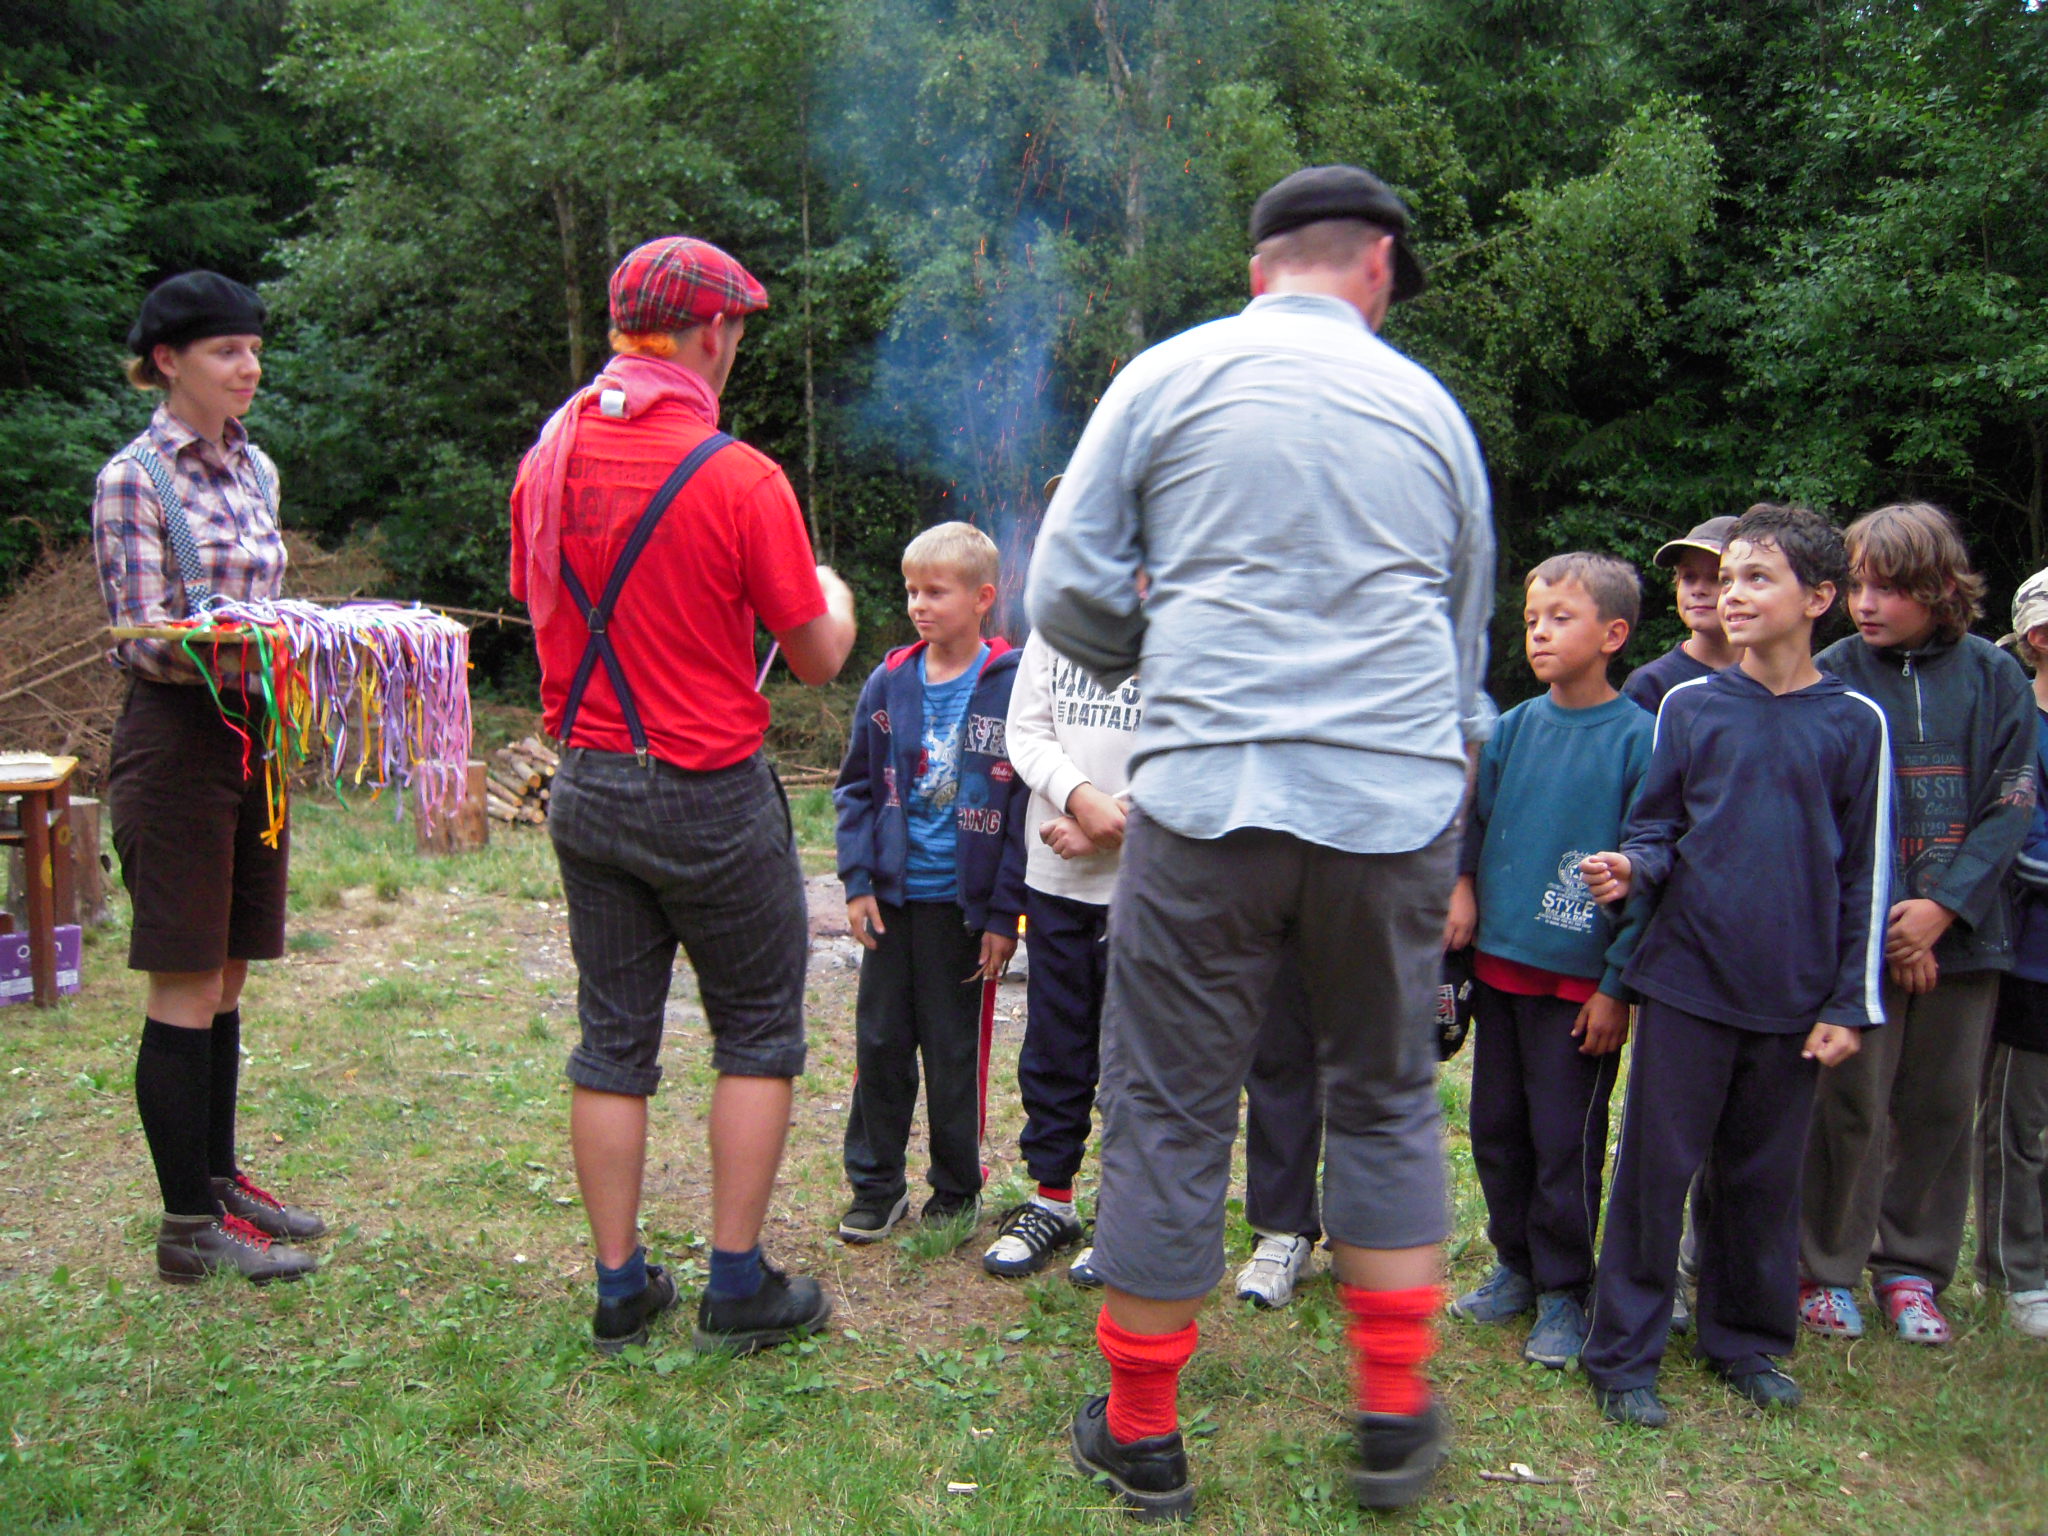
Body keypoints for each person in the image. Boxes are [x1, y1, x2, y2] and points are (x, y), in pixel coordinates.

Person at [1030, 164, 1495, 1517]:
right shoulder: (1431, 412)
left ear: (1258, 270)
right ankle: (1392, 1419)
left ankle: (1142, 1436)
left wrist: (1162, 652)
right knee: (1385, 1095)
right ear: (1379, 267)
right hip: (1391, 805)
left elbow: (1064, 587)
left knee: (1171, 1103)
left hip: (1208, 792)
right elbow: (1462, 652)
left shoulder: (1166, 378)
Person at [509, 235, 856, 1356]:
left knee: (612, 1043)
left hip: (588, 784)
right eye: (737, 331)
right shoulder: (739, 476)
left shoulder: (547, 456)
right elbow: (816, 656)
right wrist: (835, 594)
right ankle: (735, 1288)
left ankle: (620, 1291)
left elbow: (546, 604)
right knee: (756, 1032)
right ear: (710, 332)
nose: (736, 348)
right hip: (708, 794)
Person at [1577, 503, 1892, 1428]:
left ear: (1820, 598)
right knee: (1654, 1173)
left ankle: (1745, 1340)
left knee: (1761, 1179)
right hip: (1686, 982)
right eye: (1726, 579)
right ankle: (1622, 1352)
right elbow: (1657, 826)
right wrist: (1634, 867)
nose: (1732, 595)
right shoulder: (1689, 705)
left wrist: (1847, 1001)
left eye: (1758, 578)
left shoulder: (1856, 722)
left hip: (1793, 997)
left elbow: (1865, 873)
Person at [95, 271, 323, 1285]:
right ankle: (187, 1228)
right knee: (185, 980)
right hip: (178, 740)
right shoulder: (133, 479)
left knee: (227, 972)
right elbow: (145, 639)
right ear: (166, 361)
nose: (249, 367)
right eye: (227, 351)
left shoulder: (256, 468)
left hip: (252, 739)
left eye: (254, 350)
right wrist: (266, 644)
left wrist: (311, 641)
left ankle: (218, 1179)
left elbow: (267, 600)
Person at [1799, 502, 2034, 1344]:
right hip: (1862, 937)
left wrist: (1940, 909)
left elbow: (2012, 801)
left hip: (1968, 936)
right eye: (1858, 584)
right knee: (1849, 1104)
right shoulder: (1832, 671)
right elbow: (1833, 807)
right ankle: (1825, 1269)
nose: (1865, 603)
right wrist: (1895, 923)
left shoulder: (1995, 676)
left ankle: (1911, 1271)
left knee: (1940, 1106)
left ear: (1938, 589)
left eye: (1889, 588)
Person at [1444, 553, 1651, 1369]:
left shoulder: (1641, 739)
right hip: (1500, 970)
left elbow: (1650, 877)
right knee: (1496, 1129)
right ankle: (1516, 1266)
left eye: (1561, 619)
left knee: (1565, 1141)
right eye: (1532, 619)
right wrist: (1463, 886)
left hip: (1578, 990)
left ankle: (1566, 1289)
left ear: (1613, 634)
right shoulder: (1514, 728)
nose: (1539, 633)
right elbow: (1475, 821)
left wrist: (1616, 985)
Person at [834, 522, 1028, 1243]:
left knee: (953, 1055)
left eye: (936, 592)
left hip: (962, 912)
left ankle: (956, 1188)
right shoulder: (888, 682)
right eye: (912, 590)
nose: (919, 604)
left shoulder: (1013, 687)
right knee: (881, 1044)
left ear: (982, 598)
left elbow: (1022, 810)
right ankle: (876, 1186)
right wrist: (858, 881)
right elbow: (856, 787)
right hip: (892, 902)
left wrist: (1004, 916)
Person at [983, 605, 1139, 1281]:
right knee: (1055, 1046)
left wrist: (1115, 818)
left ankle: (1128, 1216)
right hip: (1056, 877)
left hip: (1146, 885)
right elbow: (1027, 732)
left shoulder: (1180, 620)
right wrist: (1079, 798)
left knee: (1136, 1060)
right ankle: (1052, 1199)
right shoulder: (1055, 627)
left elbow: (1194, 746)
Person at [1979, 567, 2048, 1343]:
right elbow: (2022, 846)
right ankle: (2015, 1272)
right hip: (2031, 963)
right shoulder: (2018, 725)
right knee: (2016, 1126)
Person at [1622, 516, 1739, 713]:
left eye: (1717, 578)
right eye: (1689, 577)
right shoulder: (1651, 685)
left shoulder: (1773, 677)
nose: (1698, 590)